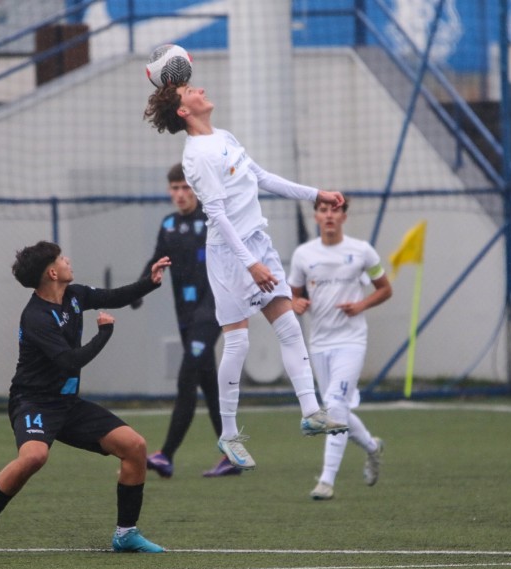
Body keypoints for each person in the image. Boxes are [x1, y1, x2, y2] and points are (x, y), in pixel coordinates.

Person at [144, 82, 349, 471]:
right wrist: (249, 264)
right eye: (190, 89)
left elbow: (263, 178)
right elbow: (217, 215)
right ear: (184, 111)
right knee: (237, 342)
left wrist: (316, 194)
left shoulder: (223, 137)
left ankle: (310, 410)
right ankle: (230, 433)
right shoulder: (198, 156)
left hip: (258, 242)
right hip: (230, 256)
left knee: (288, 326)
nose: (200, 88)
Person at [0, 241, 171, 557]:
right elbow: (69, 362)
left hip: (68, 405)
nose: (68, 259)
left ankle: (126, 534)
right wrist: (104, 335)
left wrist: (150, 282)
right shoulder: (36, 317)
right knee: (33, 458)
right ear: (53, 272)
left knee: (135, 446)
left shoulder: (75, 296)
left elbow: (113, 297)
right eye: (61, 258)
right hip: (33, 403)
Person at [135, 163, 241, 479]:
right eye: (175, 188)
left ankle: (166, 454)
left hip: (212, 312)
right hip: (186, 316)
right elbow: (156, 262)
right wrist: (138, 290)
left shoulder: (213, 221)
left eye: (186, 188)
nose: (180, 194)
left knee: (186, 379)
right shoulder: (168, 225)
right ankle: (233, 455)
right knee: (208, 384)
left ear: (195, 189)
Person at [288, 197, 392, 500]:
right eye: (323, 210)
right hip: (319, 343)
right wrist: (297, 303)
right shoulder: (304, 254)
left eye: (335, 209)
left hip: (351, 341)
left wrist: (361, 304)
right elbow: (292, 294)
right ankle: (373, 448)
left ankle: (326, 480)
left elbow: (385, 289)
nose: (329, 214)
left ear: (344, 216)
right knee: (338, 409)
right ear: (316, 216)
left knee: (334, 404)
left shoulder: (361, 251)